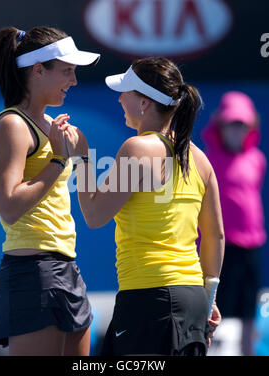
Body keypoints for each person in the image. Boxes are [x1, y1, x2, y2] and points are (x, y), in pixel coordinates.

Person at [65, 57, 225, 355]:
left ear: (144, 104)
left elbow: (95, 214)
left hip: (149, 301)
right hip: (192, 300)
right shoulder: (200, 158)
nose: (120, 98)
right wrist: (209, 299)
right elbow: (215, 236)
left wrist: (81, 157)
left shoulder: (136, 149)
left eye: (126, 92)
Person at [0, 26, 100, 356]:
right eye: (67, 71)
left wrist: (83, 152)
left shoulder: (61, 131)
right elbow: (9, 206)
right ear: (38, 70)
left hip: (68, 268)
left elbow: (94, 207)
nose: (74, 81)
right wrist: (59, 159)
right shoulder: (12, 124)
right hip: (32, 274)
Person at [202, 91, 267, 356]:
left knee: (248, 310)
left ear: (251, 127)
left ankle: (247, 353)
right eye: (232, 124)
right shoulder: (208, 160)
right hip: (220, 247)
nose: (236, 130)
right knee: (217, 308)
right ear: (220, 125)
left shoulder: (257, 160)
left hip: (251, 246)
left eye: (242, 124)